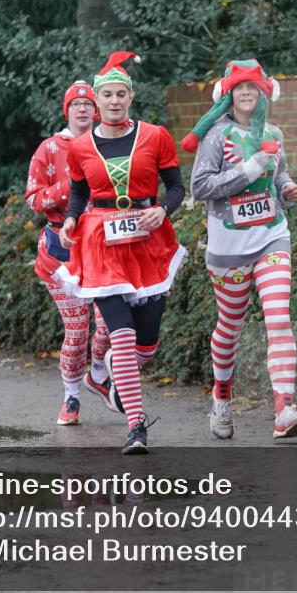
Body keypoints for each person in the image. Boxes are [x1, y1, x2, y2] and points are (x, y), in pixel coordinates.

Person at [56, 51, 186, 454]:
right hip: (101, 245)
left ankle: (116, 368)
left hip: (148, 241)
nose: (113, 101)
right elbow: (78, 192)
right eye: (107, 95)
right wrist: (72, 219)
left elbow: (177, 188)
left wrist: (162, 209)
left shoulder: (156, 136)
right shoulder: (79, 147)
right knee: (123, 335)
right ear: (96, 101)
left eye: (120, 95)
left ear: (131, 98)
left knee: (146, 343)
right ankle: (136, 427)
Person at [182, 59, 297, 440]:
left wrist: (287, 190)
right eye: (240, 88)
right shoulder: (217, 136)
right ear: (229, 95)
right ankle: (222, 396)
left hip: (272, 238)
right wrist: (249, 170)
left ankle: (284, 409)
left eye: (253, 87)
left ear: (265, 92)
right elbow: (200, 188)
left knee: (278, 318)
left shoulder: (274, 132)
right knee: (230, 326)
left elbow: (280, 175)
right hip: (228, 249)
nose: (247, 93)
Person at [27, 81, 121, 426]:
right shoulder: (50, 148)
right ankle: (71, 396)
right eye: (75, 104)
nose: (82, 109)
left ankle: (97, 372)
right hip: (59, 254)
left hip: (102, 249)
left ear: (96, 110)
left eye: (87, 104)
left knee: (111, 325)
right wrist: (72, 186)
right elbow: (33, 199)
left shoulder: (109, 143)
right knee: (78, 328)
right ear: (66, 110)